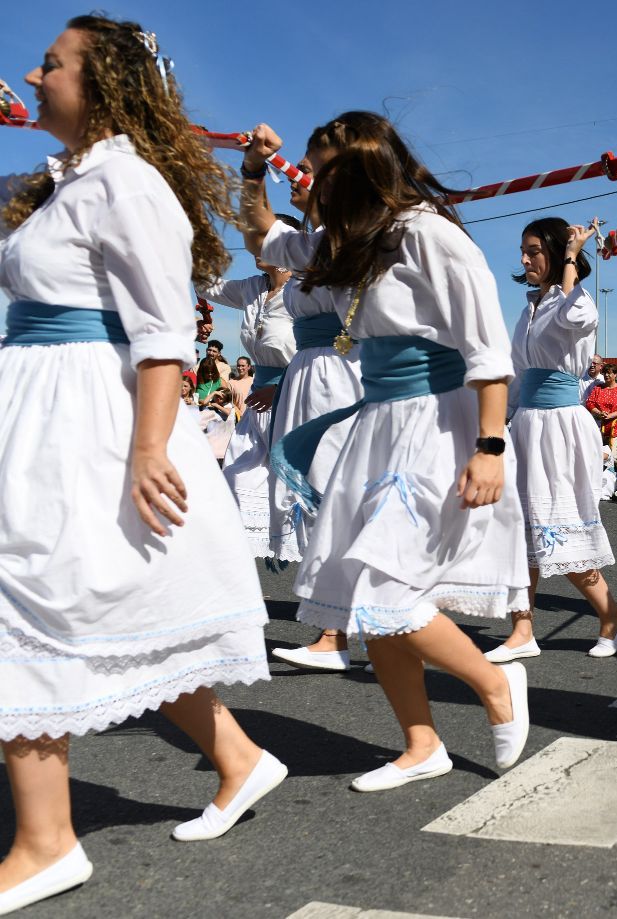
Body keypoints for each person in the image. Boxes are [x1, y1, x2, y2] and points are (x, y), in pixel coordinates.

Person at [0, 17, 284, 913]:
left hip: (76, 413)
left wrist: (150, 447)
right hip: (34, 400)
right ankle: (240, 757)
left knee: (30, 594)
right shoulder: (56, 184)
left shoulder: (128, 183)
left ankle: (46, 843)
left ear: (105, 82)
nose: (33, 74)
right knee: (102, 603)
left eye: (51, 63)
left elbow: (164, 334)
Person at [241, 112, 530, 787]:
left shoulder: (430, 234)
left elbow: (489, 349)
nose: (309, 183)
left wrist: (490, 445)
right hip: (377, 423)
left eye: (320, 169)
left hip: (435, 421)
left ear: (363, 166)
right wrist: (253, 170)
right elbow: (262, 234)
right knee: (365, 595)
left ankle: (495, 685)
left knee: (386, 585)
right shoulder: (348, 245)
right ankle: (421, 742)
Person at [484, 216, 617, 663]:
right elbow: (514, 373)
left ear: (556, 253)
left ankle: (611, 613)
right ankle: (522, 629)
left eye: (534, 251)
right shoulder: (529, 307)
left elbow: (577, 317)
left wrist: (572, 257)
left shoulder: (577, 298)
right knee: (521, 527)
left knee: (557, 528)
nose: (526, 259)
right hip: (527, 422)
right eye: (522, 252)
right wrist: (496, 426)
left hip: (561, 426)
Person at [255, 153, 366, 671]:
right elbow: (258, 230)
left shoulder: (340, 240)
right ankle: (333, 622)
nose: (292, 176)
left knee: (328, 486)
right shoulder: (308, 242)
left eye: (303, 169)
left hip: (333, 373)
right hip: (306, 371)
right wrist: (253, 171)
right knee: (306, 483)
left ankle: (337, 632)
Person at [199, 225, 300, 560]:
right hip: (258, 403)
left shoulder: (306, 290)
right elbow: (207, 284)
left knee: (298, 485)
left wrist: (281, 386)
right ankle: (238, 563)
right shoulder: (252, 288)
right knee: (235, 475)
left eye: (260, 240)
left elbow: (323, 347)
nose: (252, 247)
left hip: (295, 396)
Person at [585, 362, 617, 458]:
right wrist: (599, 413)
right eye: (604, 373)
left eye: (609, 373)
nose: (606, 375)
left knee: (610, 456)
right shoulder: (598, 388)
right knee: (595, 454)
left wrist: (609, 416)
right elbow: (589, 403)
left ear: (615, 374)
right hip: (597, 426)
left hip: (614, 427)